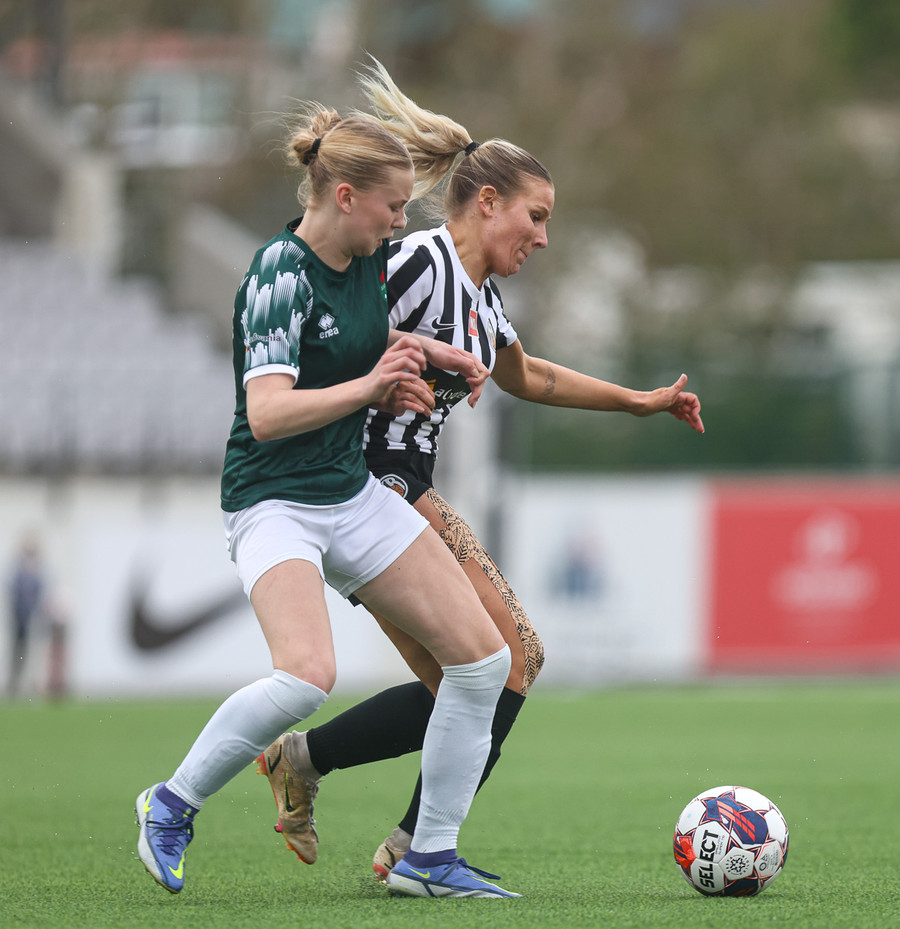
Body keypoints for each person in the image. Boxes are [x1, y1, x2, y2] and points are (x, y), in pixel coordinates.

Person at [256, 59, 704, 881]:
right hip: (370, 481)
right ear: (487, 202)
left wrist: (636, 401)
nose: (543, 237)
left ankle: (314, 766)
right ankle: (414, 848)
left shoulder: (483, 297)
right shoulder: (417, 261)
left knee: (468, 681)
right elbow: (335, 323)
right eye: (537, 216)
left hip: (405, 486)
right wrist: (372, 386)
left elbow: (529, 376)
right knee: (510, 659)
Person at [134, 100, 524, 899]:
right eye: (392, 206)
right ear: (344, 196)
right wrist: (374, 387)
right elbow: (269, 412)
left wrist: (428, 352)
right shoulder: (277, 274)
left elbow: (360, 339)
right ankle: (169, 804)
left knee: (485, 660)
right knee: (308, 674)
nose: (400, 222)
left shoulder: (367, 260)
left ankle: (427, 856)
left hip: (349, 492)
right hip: (272, 500)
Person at [7, 535, 45, 699]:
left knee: (33, 651)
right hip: (20, 620)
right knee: (17, 651)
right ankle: (14, 683)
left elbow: (40, 594)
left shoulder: (38, 571)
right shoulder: (19, 571)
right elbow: (14, 593)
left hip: (33, 619)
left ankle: (32, 683)